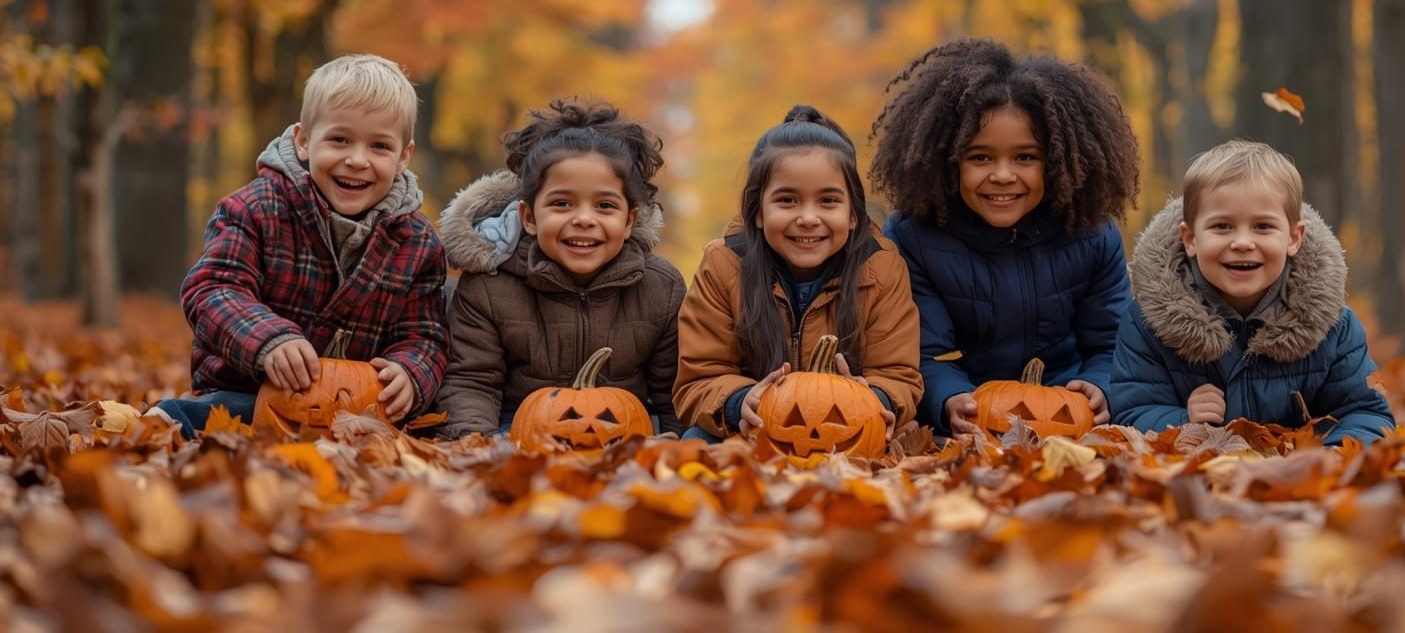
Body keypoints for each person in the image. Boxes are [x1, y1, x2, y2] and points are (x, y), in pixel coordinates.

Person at [151, 54, 446, 436]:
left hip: (357, 407)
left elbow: (424, 333)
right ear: (304, 140)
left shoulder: (418, 242)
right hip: (250, 390)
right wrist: (268, 339)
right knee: (216, 415)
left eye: (379, 146)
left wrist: (410, 372)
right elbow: (213, 289)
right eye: (339, 140)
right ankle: (169, 424)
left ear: (403, 156)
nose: (357, 160)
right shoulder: (257, 209)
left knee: (418, 430)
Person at [870, 37, 1141, 435]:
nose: (1002, 175)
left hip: (1066, 415)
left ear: (1057, 162)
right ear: (947, 161)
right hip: (974, 418)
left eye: (1025, 157)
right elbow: (922, 352)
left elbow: (1111, 342)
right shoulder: (915, 240)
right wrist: (948, 398)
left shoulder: (1092, 234)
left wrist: (1100, 385)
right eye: (980, 157)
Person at [1111, 139, 1393, 444]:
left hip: (1297, 472)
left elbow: (1366, 413)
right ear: (1190, 239)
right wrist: (1183, 421)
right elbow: (1130, 413)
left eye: (1262, 226)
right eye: (1222, 226)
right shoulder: (1147, 322)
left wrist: (1329, 459)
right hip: (1203, 471)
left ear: (1293, 238)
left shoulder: (1333, 327)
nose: (1243, 242)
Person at [434, 99, 685, 437]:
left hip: (620, 430)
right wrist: (478, 445)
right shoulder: (489, 287)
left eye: (604, 205)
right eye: (562, 203)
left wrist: (679, 450)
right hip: (516, 430)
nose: (584, 219)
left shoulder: (660, 288)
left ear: (629, 221)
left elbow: (674, 393)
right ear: (529, 217)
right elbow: (471, 382)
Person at [674, 105, 922, 440]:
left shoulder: (881, 266)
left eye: (828, 201)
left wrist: (875, 399)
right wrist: (739, 402)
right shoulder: (723, 264)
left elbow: (898, 373)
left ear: (852, 214)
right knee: (694, 441)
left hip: (847, 428)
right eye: (787, 200)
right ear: (758, 212)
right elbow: (700, 377)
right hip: (754, 429)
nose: (807, 218)